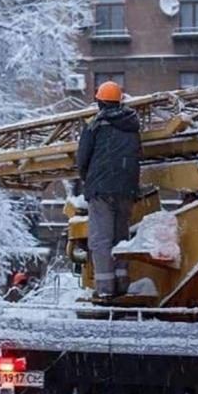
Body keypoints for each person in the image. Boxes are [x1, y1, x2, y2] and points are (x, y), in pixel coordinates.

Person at [76, 81, 142, 298]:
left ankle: (105, 289)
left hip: (101, 190)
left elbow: (82, 158)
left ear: (100, 102)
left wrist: (88, 180)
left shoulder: (94, 125)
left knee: (101, 239)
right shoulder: (132, 126)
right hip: (127, 189)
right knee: (121, 237)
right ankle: (122, 283)